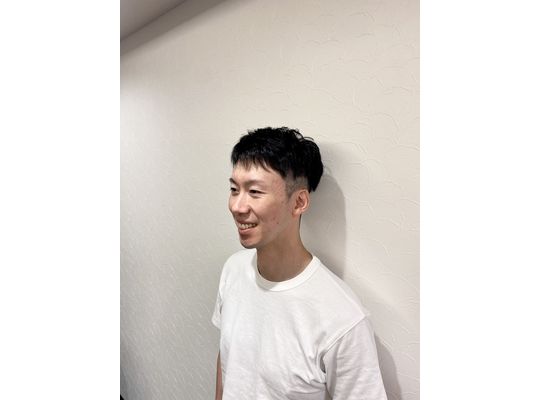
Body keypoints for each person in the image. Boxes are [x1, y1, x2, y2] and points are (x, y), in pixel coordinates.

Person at [212, 127, 387, 400]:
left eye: (254, 191)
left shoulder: (343, 319)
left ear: (299, 202)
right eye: (234, 189)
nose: (237, 206)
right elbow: (228, 362)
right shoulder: (233, 270)